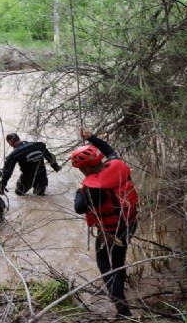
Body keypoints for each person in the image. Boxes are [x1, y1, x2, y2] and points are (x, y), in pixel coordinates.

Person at [71, 127, 139, 317]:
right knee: (118, 260)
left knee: (105, 265)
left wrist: (79, 190)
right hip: (130, 222)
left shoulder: (94, 188)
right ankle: (121, 290)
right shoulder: (117, 165)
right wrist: (91, 138)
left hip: (110, 231)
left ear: (85, 168)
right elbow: (110, 150)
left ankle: (122, 308)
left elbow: (79, 208)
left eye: (81, 169)